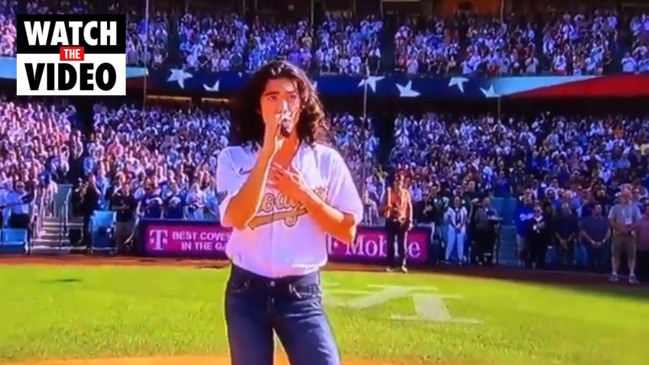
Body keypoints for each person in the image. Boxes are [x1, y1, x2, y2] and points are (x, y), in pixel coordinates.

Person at [216, 61, 363, 365]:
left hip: (301, 293)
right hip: (247, 291)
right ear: (258, 107)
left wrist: (304, 196)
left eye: (291, 96)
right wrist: (268, 153)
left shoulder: (325, 161)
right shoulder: (233, 157)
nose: (282, 105)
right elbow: (238, 218)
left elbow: (348, 231)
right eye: (272, 97)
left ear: (302, 104)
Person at [608, 189, 641, 283]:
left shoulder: (635, 208)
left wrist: (629, 229)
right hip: (618, 234)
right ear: (620, 197)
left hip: (630, 235)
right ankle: (614, 273)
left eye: (627, 196)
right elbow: (611, 221)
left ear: (631, 197)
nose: (626, 198)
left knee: (631, 255)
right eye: (624, 196)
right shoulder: (615, 208)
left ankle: (631, 274)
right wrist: (620, 228)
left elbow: (637, 221)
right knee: (615, 254)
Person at [383, 174, 412, 272]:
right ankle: (390, 265)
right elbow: (383, 206)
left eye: (400, 181)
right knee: (390, 244)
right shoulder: (389, 192)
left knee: (402, 245)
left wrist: (409, 220)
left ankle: (402, 265)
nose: (398, 183)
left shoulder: (405, 193)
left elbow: (409, 207)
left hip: (402, 221)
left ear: (402, 183)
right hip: (391, 220)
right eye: (396, 181)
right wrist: (388, 208)